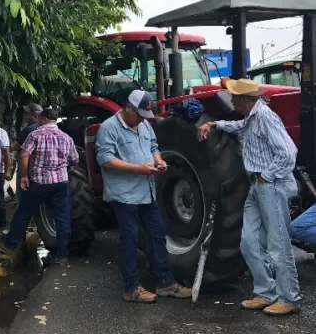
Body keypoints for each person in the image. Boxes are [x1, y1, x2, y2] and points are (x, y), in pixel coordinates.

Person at [197, 79, 299, 315]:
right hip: (257, 185)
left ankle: (289, 298)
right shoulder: (252, 117)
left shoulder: (265, 116)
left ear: (244, 99)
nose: (231, 99)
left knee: (278, 244)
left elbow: (288, 153)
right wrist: (214, 124)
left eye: (234, 96)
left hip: (270, 185)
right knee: (248, 241)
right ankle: (266, 292)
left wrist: (266, 176)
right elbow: (240, 127)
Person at [96, 90, 191, 303]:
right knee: (129, 239)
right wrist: (138, 168)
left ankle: (166, 283)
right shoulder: (109, 128)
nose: (141, 119)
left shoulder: (145, 125)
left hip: (147, 192)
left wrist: (159, 161)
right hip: (124, 195)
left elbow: (154, 147)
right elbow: (106, 160)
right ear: (128, 107)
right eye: (139, 114)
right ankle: (131, 288)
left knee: (158, 235)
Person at [0, 109, 76, 263]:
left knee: (23, 214)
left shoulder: (35, 135)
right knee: (62, 218)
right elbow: (74, 160)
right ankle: (62, 255)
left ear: (43, 118)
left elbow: (24, 154)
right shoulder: (66, 138)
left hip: (39, 183)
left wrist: (24, 176)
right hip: (60, 183)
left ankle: (10, 244)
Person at [12, 103, 43, 205]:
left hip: (26, 165)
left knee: (22, 194)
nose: (25, 116)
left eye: (27, 114)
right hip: (41, 168)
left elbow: (15, 147)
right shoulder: (46, 128)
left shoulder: (29, 129)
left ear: (35, 115)